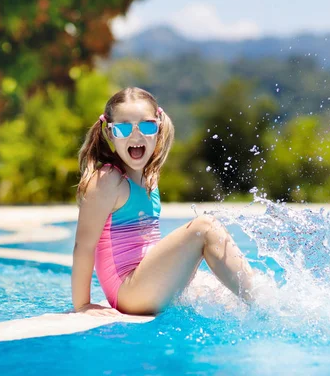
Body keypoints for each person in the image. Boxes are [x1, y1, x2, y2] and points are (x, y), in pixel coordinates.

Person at [72, 87, 257, 316]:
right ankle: (265, 305)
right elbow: (84, 246)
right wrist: (83, 305)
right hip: (128, 292)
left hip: (148, 282)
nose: (135, 135)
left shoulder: (149, 178)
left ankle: (265, 301)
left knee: (228, 288)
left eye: (146, 126)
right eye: (123, 127)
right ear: (110, 134)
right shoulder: (107, 181)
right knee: (204, 227)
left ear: (158, 129)